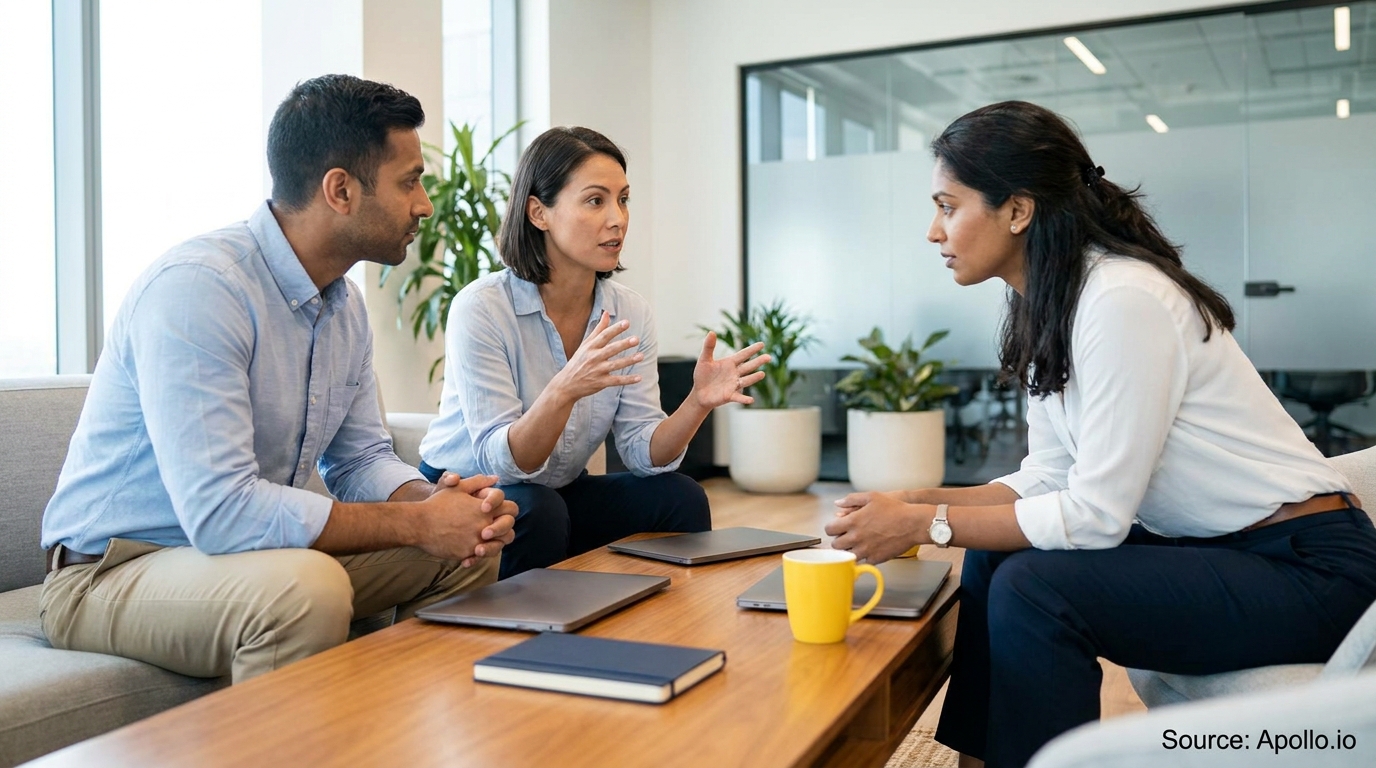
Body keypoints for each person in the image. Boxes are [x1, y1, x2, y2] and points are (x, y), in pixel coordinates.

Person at [824, 101, 1376, 768]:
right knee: (995, 555)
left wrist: (924, 524)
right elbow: (1049, 478)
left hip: (1309, 574)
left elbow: (1095, 517)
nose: (933, 231)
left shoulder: (1121, 301)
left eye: (948, 205)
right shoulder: (1053, 302)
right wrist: (916, 499)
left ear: (1018, 211)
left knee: (1036, 586)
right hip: (1228, 549)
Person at [40, 74, 517, 685]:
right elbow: (222, 511)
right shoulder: (200, 290)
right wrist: (414, 524)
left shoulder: (343, 305)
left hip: (245, 557)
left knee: (473, 543)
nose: (424, 203)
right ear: (340, 190)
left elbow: (361, 458)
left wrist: (435, 504)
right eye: (410, 181)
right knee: (305, 587)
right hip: (113, 570)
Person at [418, 126, 768, 578]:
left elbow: (643, 452)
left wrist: (697, 404)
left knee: (680, 497)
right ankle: (530, 642)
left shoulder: (629, 311)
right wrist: (565, 388)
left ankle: (677, 631)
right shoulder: (482, 307)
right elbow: (504, 463)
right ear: (538, 213)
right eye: (595, 200)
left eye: (623, 199)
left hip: (556, 494)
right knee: (539, 509)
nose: (617, 218)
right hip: (471, 490)